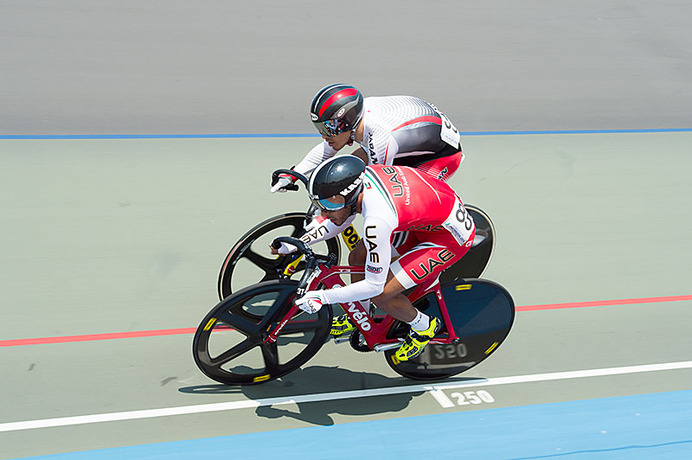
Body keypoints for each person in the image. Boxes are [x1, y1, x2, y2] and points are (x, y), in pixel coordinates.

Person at [270, 83, 467, 341]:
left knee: (388, 226)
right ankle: (360, 314)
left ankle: (409, 278)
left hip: (439, 156)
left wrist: (330, 218)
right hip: (413, 137)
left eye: (327, 128)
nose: (323, 135)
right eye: (320, 128)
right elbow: (332, 149)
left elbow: (360, 198)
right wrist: (297, 172)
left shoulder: (381, 137)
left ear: (346, 123)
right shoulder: (356, 119)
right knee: (352, 167)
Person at [271, 156, 476, 361]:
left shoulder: (377, 221)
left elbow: (374, 287)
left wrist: (322, 298)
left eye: (328, 204)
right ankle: (363, 312)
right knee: (358, 256)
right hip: (422, 218)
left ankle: (424, 326)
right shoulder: (362, 179)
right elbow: (342, 217)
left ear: (349, 195)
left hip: (448, 239)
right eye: (320, 204)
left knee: (382, 294)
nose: (323, 212)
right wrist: (298, 242)